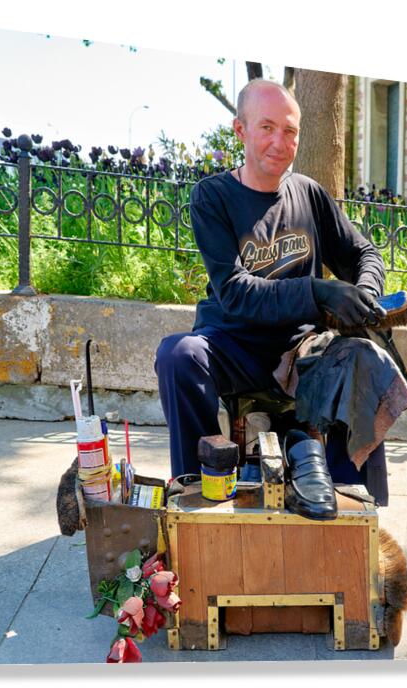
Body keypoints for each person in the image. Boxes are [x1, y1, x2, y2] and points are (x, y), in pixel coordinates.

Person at [154, 78, 386, 479]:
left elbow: (363, 253)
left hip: (300, 349)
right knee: (178, 355)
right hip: (233, 345)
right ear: (240, 130)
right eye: (267, 127)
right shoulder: (211, 197)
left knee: (363, 358)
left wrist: (364, 293)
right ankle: (199, 484)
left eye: (290, 131)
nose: (280, 141)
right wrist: (319, 291)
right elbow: (236, 292)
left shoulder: (309, 194)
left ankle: (351, 503)